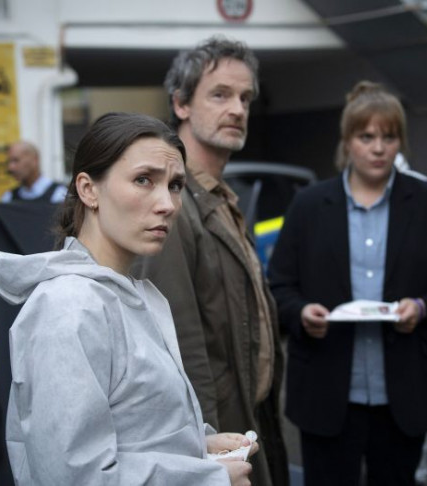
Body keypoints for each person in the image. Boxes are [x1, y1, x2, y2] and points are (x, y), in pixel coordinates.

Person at [0, 112, 257, 485]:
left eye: (175, 185)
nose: (167, 204)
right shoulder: (68, 307)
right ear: (88, 190)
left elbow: (132, 430)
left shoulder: (129, 292)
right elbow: (74, 476)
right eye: (143, 179)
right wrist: (206, 479)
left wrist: (198, 446)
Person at [267, 81, 427, 486]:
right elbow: (278, 286)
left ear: (401, 142)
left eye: (389, 137)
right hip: (326, 391)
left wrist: (423, 308)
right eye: (366, 137)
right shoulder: (308, 206)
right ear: (347, 141)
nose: (379, 148)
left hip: (405, 394)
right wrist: (301, 313)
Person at [133, 36, 289, 486]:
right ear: (180, 103)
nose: (238, 109)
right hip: (213, 438)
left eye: (245, 98)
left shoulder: (218, 197)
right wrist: (203, 458)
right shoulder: (174, 205)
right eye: (220, 95)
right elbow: (177, 347)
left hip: (246, 422)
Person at [0, 140, 67, 203]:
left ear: (35, 160)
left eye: (16, 160)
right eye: (8, 162)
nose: (10, 167)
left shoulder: (59, 194)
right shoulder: (8, 197)